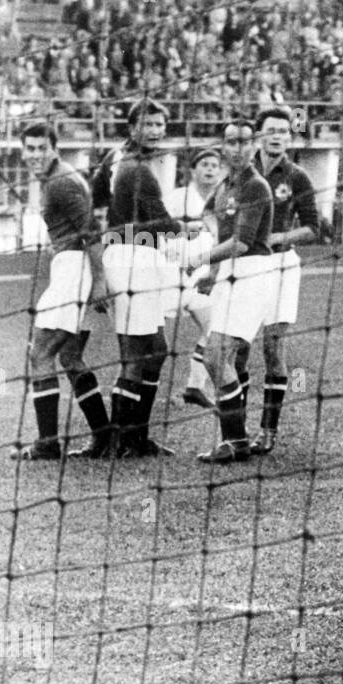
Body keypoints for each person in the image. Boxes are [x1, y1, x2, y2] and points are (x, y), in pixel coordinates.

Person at [91, 98, 204, 457]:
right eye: (149, 124)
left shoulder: (113, 158)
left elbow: (97, 201)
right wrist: (189, 226)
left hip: (132, 254)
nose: (156, 131)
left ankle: (135, 437)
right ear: (132, 126)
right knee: (137, 354)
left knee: (155, 349)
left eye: (160, 124)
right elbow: (160, 221)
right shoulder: (135, 168)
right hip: (132, 257)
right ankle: (123, 441)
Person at [10, 122, 112, 460]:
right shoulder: (55, 178)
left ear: (54, 147)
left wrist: (98, 282)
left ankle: (47, 443)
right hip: (69, 266)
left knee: (40, 353)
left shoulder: (60, 182)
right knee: (69, 357)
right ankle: (104, 436)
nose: (35, 155)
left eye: (42, 148)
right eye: (30, 148)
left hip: (74, 269)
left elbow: (92, 232)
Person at [187, 118, 274, 464]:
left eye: (244, 141)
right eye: (231, 142)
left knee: (215, 355)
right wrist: (212, 272)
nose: (237, 148)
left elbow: (240, 243)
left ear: (254, 145)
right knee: (221, 357)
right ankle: (236, 440)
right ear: (223, 146)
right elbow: (212, 216)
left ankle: (235, 440)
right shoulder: (226, 184)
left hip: (252, 272)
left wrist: (200, 258)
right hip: (230, 275)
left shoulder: (255, 186)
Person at [246, 106, 321, 455]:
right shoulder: (242, 174)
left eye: (284, 131)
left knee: (273, 347)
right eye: (271, 129)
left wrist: (276, 238)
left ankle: (268, 431)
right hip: (243, 266)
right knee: (235, 348)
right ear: (258, 134)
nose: (277, 135)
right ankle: (234, 429)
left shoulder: (297, 176)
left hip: (279, 266)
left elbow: (314, 228)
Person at [163, 147, 222, 410]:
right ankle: (145, 390)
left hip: (202, 278)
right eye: (205, 164)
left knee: (214, 329)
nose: (210, 169)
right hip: (171, 275)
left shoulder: (224, 199)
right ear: (193, 170)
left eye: (214, 165)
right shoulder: (178, 198)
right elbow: (159, 229)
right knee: (152, 341)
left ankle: (194, 387)